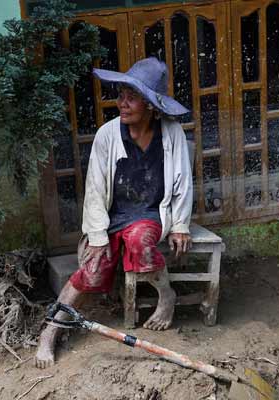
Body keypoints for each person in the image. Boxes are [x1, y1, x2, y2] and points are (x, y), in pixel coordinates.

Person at [35, 57, 193, 368]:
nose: (122, 103)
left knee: (140, 241)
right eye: (120, 95)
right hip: (112, 217)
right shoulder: (108, 135)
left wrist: (181, 225)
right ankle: (50, 331)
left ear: (150, 104)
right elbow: (95, 190)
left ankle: (166, 295)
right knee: (92, 268)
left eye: (131, 97)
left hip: (151, 214)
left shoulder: (171, 133)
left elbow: (183, 183)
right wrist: (96, 236)